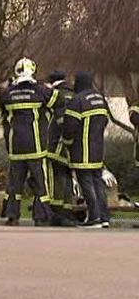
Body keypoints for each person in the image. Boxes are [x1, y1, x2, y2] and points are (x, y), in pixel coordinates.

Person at [0, 58, 61, 226]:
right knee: (40, 183)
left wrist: (3, 86)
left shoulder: (7, 93)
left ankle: (12, 216)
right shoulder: (41, 91)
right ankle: (41, 216)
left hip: (16, 147)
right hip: (36, 146)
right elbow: (59, 101)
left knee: (15, 183)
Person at [63, 71, 110, 228]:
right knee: (98, 183)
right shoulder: (100, 98)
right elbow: (105, 121)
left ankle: (94, 218)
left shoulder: (78, 100)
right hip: (98, 149)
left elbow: (70, 126)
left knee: (87, 183)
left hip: (82, 149)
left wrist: (67, 142)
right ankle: (104, 218)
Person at [45, 71, 76, 226]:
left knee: (57, 177)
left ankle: (57, 212)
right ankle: (68, 210)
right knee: (68, 176)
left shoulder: (55, 95)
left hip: (56, 143)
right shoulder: (73, 94)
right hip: (73, 145)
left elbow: (56, 120)